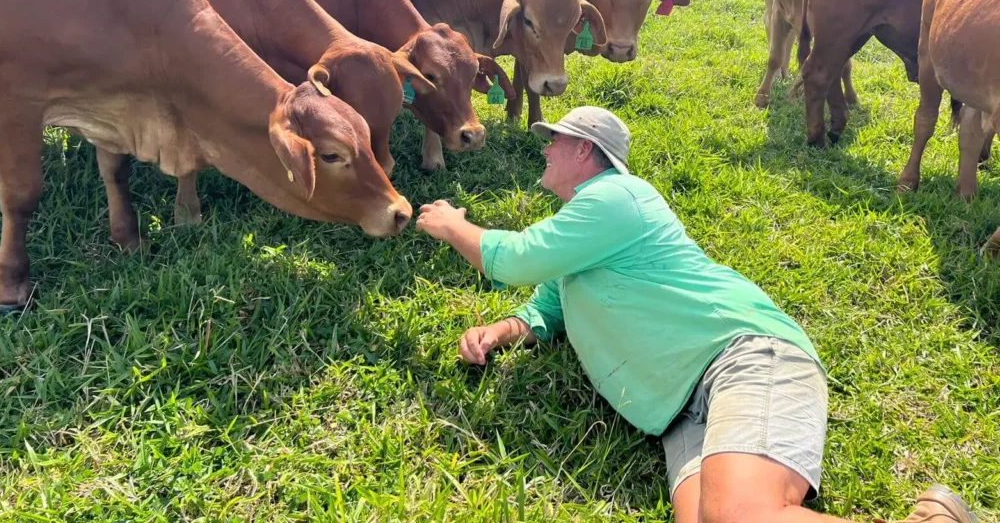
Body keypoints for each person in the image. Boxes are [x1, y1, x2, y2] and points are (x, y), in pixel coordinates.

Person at [415, 106, 976, 523]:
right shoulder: (586, 238)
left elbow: (516, 259)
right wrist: (506, 328)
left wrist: (451, 224)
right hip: (679, 413)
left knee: (739, 515)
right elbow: (551, 299)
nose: (545, 150)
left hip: (740, 357)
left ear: (585, 150)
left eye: (553, 141)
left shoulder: (617, 196)